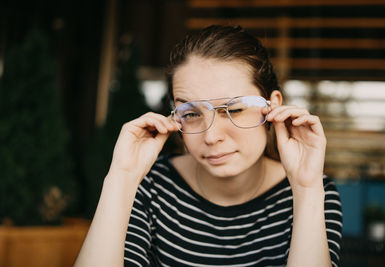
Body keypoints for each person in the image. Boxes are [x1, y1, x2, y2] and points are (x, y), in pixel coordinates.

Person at [74, 25, 342, 267]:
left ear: (272, 106)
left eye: (234, 109)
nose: (212, 137)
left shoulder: (316, 191)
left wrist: (306, 190)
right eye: (190, 114)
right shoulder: (149, 186)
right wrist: (121, 179)